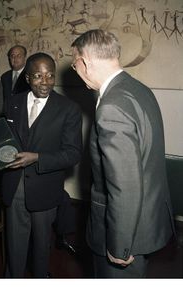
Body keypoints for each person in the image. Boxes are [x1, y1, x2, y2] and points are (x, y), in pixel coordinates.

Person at [71, 29, 174, 278]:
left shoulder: (111, 106)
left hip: (126, 231)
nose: (75, 70)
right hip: (147, 217)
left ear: (85, 62)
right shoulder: (138, 89)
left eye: (74, 65)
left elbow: (124, 183)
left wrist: (119, 244)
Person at [2, 52, 82, 277]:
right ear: (27, 78)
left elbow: (73, 154)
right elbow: (7, 141)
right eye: (38, 76)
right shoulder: (12, 103)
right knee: (15, 246)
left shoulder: (69, 108)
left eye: (50, 76)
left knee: (41, 248)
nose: (45, 82)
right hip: (15, 186)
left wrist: (37, 158)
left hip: (46, 190)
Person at [1, 45, 30, 115]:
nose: (15, 58)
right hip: (8, 114)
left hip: (24, 114)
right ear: (9, 59)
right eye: (12, 56)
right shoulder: (5, 76)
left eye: (19, 56)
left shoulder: (30, 75)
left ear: (25, 57)